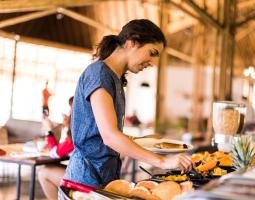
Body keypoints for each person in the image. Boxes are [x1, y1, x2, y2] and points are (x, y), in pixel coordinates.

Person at [62, 19, 193, 189]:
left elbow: (100, 134)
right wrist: (162, 161)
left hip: (103, 178)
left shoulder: (115, 79)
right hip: (85, 181)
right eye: (152, 53)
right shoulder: (99, 74)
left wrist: (142, 141)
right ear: (132, 42)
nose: (152, 63)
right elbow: (109, 136)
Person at [38, 97, 74, 200]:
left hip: (85, 180)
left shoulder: (77, 135)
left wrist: (49, 129)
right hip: (95, 175)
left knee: (42, 173)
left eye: (69, 111)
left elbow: (54, 153)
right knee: (49, 166)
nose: (67, 115)